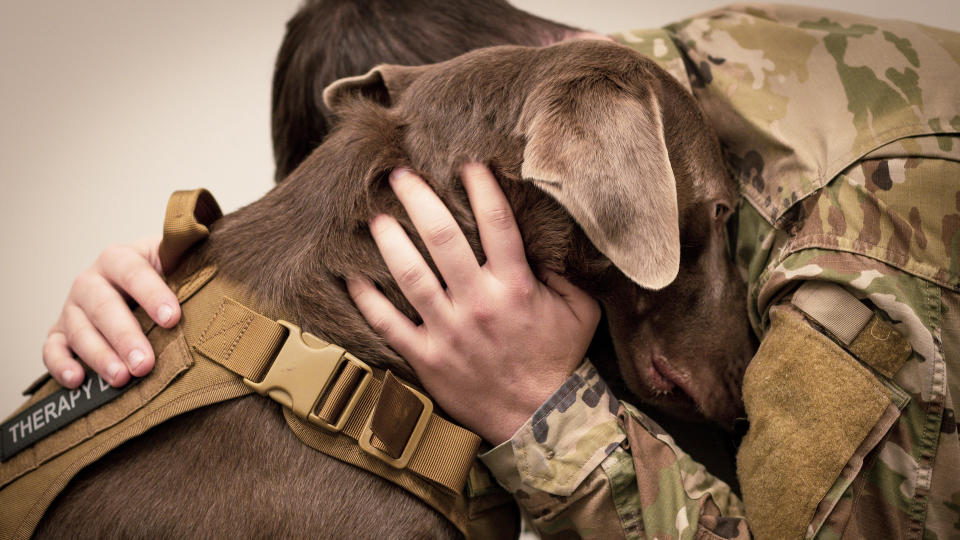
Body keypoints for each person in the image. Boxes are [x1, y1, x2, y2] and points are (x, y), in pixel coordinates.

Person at [40, 2, 960, 539]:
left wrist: (546, 413)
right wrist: (156, 314)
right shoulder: (514, 163)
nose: (474, 302)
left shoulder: (852, 255)